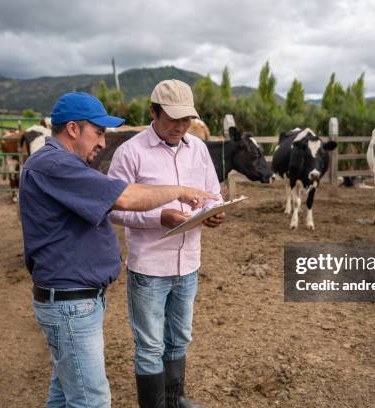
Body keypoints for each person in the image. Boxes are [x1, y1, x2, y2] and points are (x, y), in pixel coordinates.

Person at [19, 92, 215, 408]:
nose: (102, 142)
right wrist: (180, 191)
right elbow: (123, 199)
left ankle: (173, 398)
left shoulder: (59, 163)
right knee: (91, 400)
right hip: (71, 303)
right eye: (98, 132)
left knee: (64, 393)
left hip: (75, 298)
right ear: (72, 129)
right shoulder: (56, 165)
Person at [108, 80, 225, 408]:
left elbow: (211, 194)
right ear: (153, 112)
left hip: (188, 262)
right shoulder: (130, 153)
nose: (180, 127)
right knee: (149, 345)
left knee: (180, 338)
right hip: (150, 266)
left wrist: (213, 213)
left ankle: (175, 399)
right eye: (172, 118)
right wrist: (158, 218)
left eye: (186, 119)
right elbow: (114, 210)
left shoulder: (198, 149)